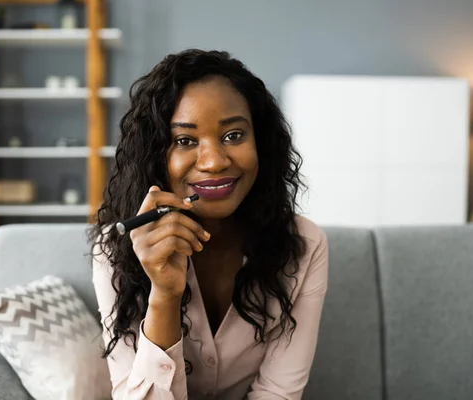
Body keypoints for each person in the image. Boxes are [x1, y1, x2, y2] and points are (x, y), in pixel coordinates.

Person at [90, 49, 328, 400]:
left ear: (260, 143)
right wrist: (164, 296)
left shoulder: (304, 244)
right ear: (155, 155)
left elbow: (277, 394)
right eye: (185, 141)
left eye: (233, 135)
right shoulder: (115, 250)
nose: (215, 162)